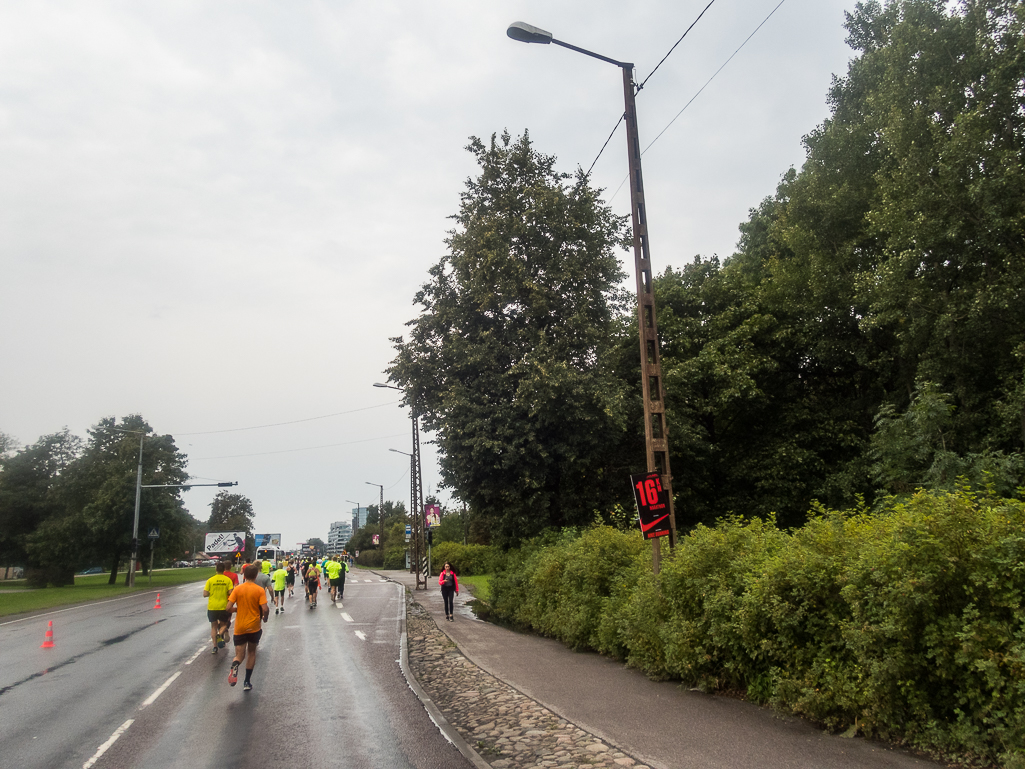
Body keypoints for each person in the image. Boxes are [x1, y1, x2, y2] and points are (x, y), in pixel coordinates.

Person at [225, 563, 269, 692]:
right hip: (254, 626)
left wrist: (236, 609)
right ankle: (247, 681)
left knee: (239, 655)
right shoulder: (259, 590)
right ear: (256, 576)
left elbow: (228, 608)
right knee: (251, 653)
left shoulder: (238, 589)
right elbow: (265, 608)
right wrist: (265, 617)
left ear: (244, 575)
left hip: (240, 627)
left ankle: (235, 664)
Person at [203, 561, 235, 654]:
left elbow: (205, 594)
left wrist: (211, 592)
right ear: (224, 569)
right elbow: (230, 593)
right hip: (223, 606)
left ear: (216, 569)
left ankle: (214, 647)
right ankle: (219, 634)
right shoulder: (227, 580)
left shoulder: (210, 580)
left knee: (213, 626)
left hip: (212, 606)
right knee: (223, 624)